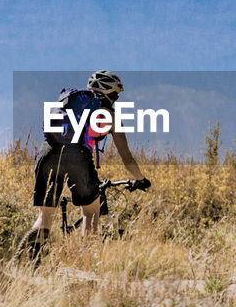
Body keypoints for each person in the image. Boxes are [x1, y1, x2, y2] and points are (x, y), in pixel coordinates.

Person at [15, 70, 150, 263]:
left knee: (45, 216)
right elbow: (126, 157)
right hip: (77, 157)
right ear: (110, 94)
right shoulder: (109, 115)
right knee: (90, 211)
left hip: (47, 152)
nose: (116, 99)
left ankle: (28, 261)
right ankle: (87, 263)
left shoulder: (70, 102)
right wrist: (140, 179)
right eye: (116, 95)